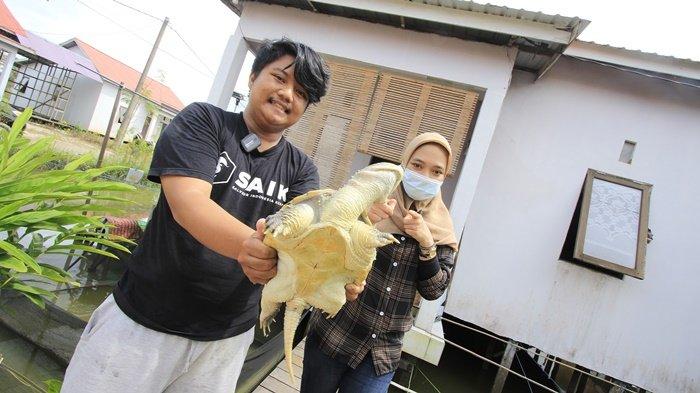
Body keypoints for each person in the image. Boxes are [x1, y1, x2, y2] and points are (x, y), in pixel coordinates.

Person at [61, 38, 333, 393]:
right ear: (253, 77)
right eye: (280, 78)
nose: (287, 94)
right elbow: (189, 205)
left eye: (301, 92)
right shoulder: (204, 122)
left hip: (226, 340)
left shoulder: (302, 171)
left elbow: (303, 244)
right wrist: (251, 246)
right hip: (141, 323)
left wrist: (331, 269)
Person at [300, 132, 459, 393]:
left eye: (436, 171)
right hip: (335, 331)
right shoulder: (370, 198)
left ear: (444, 177)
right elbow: (325, 247)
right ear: (404, 163)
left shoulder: (441, 229)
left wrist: (427, 243)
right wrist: (362, 220)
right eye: (417, 165)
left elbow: (434, 291)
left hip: (381, 354)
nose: (425, 176)